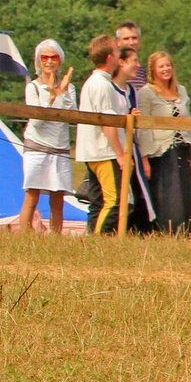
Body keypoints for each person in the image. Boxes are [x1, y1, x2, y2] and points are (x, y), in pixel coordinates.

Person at [76, 35, 138, 236]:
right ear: (110, 57)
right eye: (117, 51)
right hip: (104, 152)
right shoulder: (102, 85)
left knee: (98, 203)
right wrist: (121, 154)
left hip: (91, 152)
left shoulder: (93, 82)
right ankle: (97, 242)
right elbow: (108, 123)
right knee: (115, 202)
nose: (119, 54)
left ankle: (91, 241)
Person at [17, 38, 78, 235]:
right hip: (37, 147)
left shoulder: (68, 87)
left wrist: (64, 91)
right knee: (32, 194)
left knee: (58, 197)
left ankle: (56, 237)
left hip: (59, 148)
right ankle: (24, 236)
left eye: (54, 57)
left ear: (60, 61)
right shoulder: (32, 87)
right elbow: (36, 120)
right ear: (38, 61)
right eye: (45, 57)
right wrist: (51, 95)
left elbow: (73, 115)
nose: (49, 61)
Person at [136, 51, 191, 235]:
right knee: (169, 195)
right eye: (161, 66)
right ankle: (168, 232)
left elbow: (187, 119)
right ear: (153, 70)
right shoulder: (146, 93)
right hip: (160, 152)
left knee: (185, 193)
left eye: (168, 65)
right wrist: (145, 158)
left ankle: (188, 232)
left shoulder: (181, 90)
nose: (165, 69)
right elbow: (144, 128)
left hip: (181, 148)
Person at [115, 22, 147, 88]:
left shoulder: (141, 70)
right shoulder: (113, 67)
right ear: (118, 42)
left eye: (134, 38)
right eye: (126, 39)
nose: (131, 42)